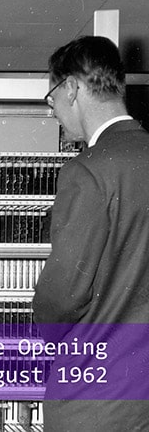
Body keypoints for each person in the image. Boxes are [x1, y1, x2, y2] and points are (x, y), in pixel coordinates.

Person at [32, 36, 149, 431]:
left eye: (52, 99)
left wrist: (47, 333)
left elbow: (62, 297)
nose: (54, 113)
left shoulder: (88, 171)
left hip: (97, 401)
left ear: (72, 88)